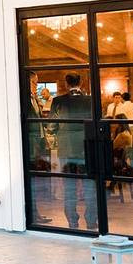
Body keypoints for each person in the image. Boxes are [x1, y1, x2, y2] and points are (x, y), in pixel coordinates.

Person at [50, 72, 97, 230]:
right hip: (86, 147)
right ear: (81, 82)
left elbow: (51, 126)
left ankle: (72, 221)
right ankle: (91, 220)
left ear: (66, 84)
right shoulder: (91, 100)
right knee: (90, 186)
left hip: (67, 148)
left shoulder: (58, 101)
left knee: (69, 187)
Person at [27, 72, 52, 224]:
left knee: (35, 180)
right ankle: (32, 213)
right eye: (34, 83)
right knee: (31, 180)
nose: (36, 86)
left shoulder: (34, 98)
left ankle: (35, 213)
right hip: (30, 143)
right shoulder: (24, 98)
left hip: (38, 142)